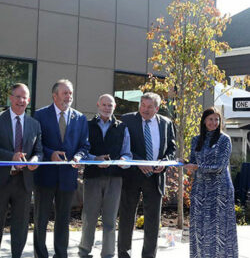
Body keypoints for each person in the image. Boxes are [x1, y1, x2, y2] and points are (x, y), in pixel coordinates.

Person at [0, 83, 43, 258]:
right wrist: (11, 157)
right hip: (0, 179)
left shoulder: (35, 124)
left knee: (21, 223)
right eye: (17, 96)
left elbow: (39, 151)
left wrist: (35, 161)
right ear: (10, 98)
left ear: (29, 100)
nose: (21, 100)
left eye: (24, 97)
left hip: (24, 181)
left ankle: (16, 255)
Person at [33, 79, 89, 258]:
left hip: (67, 176)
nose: (69, 96)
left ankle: (61, 254)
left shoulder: (80, 118)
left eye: (71, 93)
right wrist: (50, 154)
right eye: (65, 93)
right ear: (54, 95)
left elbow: (85, 145)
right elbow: (36, 143)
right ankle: (40, 254)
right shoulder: (40, 115)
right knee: (41, 219)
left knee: (63, 220)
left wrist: (79, 156)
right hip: (45, 176)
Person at [117, 92, 176, 258]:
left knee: (153, 221)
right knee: (127, 218)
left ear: (157, 108)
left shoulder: (166, 123)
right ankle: (124, 254)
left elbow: (172, 149)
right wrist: (139, 161)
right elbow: (120, 146)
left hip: (155, 178)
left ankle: (149, 255)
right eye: (142, 105)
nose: (145, 109)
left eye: (150, 106)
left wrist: (162, 163)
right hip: (132, 176)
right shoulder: (127, 120)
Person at [78, 94, 132, 258]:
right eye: (104, 105)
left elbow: (127, 153)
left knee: (110, 219)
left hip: (114, 178)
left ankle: (108, 253)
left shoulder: (122, 127)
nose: (107, 108)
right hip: (92, 177)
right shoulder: (87, 126)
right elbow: (82, 151)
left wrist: (123, 160)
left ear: (114, 107)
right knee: (89, 216)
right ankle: (84, 251)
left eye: (110, 105)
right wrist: (95, 159)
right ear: (98, 105)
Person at [185, 107, 238, 258]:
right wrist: (185, 163)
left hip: (220, 191)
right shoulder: (196, 139)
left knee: (220, 230)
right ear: (204, 121)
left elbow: (220, 167)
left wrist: (197, 167)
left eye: (217, 119)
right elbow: (194, 162)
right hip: (200, 189)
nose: (214, 122)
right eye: (210, 119)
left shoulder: (224, 139)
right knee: (200, 228)